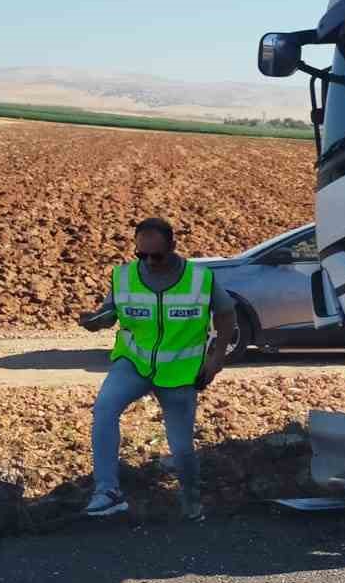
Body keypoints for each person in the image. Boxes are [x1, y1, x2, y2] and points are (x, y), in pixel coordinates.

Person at [77, 217, 236, 521]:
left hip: (179, 373)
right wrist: (96, 321)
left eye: (156, 255)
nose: (149, 261)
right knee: (104, 409)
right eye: (142, 255)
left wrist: (216, 359)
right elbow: (110, 315)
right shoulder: (123, 277)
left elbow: (227, 314)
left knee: (181, 448)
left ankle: (191, 502)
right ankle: (107, 492)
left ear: (173, 247)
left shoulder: (200, 279)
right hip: (134, 362)